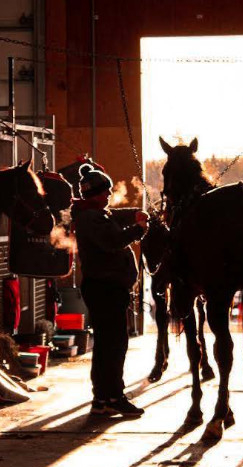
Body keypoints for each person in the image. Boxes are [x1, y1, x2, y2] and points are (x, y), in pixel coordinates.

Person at [72, 163, 150, 416]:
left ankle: (103, 398)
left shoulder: (92, 213)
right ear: (96, 193)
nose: (109, 196)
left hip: (105, 288)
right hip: (106, 289)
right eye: (105, 192)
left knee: (107, 344)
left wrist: (137, 213)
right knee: (114, 345)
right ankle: (114, 397)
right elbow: (113, 240)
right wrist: (138, 229)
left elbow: (115, 216)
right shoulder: (91, 218)